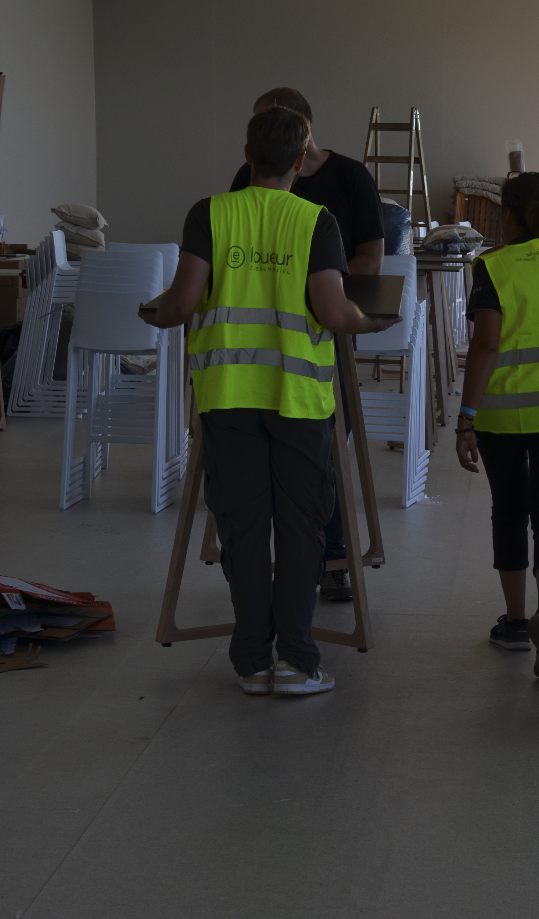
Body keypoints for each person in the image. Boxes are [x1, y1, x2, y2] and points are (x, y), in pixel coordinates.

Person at [140, 107, 399, 696]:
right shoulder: (315, 221)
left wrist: (153, 312)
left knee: (244, 528)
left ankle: (253, 662)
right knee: (302, 528)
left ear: (247, 154)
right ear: (301, 159)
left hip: (228, 397)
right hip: (298, 400)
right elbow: (333, 312)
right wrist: (372, 322)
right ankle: (298, 662)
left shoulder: (209, 213)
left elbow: (180, 304)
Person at [231, 87, 385, 602]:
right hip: (257, 342)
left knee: (325, 449)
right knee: (259, 455)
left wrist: (316, 288)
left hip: (323, 336)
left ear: (304, 131)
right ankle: (270, 566)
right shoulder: (246, 179)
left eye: (276, 123)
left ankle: (332, 558)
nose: (268, 135)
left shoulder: (350, 178)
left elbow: (370, 259)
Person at [456, 173, 539, 679]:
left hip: (503, 415)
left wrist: (466, 418)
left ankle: (514, 623)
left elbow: (486, 345)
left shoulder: (492, 266)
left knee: (509, 511)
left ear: (507, 216)